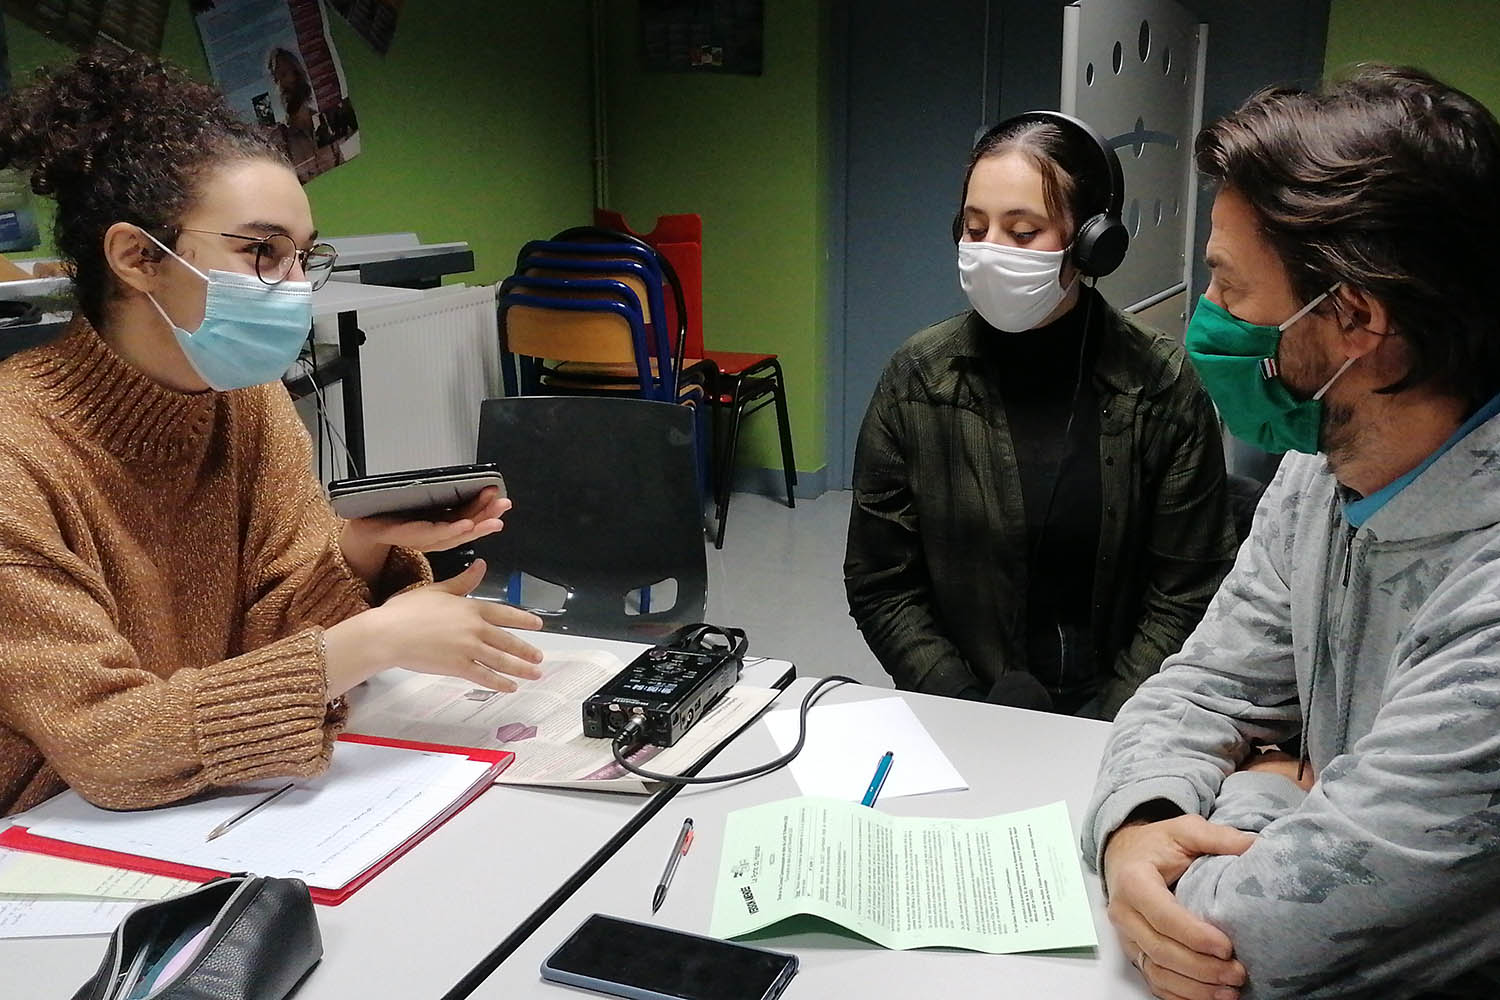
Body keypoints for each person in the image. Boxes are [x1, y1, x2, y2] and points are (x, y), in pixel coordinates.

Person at [0, 52, 544, 816]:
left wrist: (360, 553)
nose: (293, 287)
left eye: (302, 256)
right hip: (54, 832)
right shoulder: (15, 453)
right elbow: (108, 743)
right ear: (135, 258)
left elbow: (270, 635)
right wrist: (373, 641)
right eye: (260, 252)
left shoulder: (244, 402)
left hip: (215, 800)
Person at [1083, 66, 1500, 1000]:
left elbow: (1258, 939)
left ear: (1354, 319)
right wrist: (1135, 826)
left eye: (1231, 287)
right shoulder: (1322, 472)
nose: (1207, 317)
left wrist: (1263, 787)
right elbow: (1203, 687)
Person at [844, 111, 1236, 719]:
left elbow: (1186, 592)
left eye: (1023, 233)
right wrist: (968, 708)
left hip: (1123, 715)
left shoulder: (1159, 385)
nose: (990, 253)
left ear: (1091, 244)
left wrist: (1109, 725)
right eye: (975, 229)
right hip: (962, 708)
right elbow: (882, 582)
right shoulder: (917, 378)